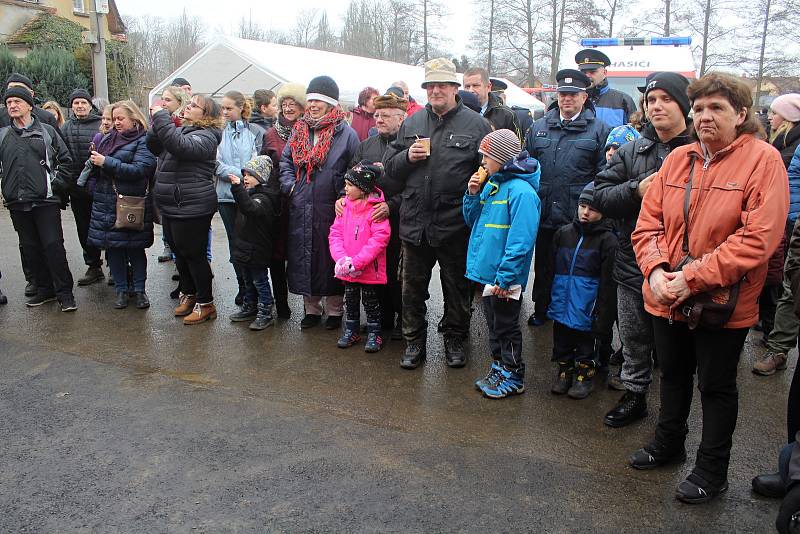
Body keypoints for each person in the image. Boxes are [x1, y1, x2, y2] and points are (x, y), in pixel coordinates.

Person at [629, 73, 788, 504]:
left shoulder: (763, 160)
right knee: (673, 374)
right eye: (698, 109)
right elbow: (648, 225)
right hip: (666, 294)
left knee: (716, 387)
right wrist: (657, 271)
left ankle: (712, 470)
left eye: (715, 108)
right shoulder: (678, 158)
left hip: (721, 303)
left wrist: (689, 278)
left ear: (741, 114)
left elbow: (759, 238)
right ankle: (668, 444)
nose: (704, 116)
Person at [594, 72, 694, 426]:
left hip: (684, 269)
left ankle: (674, 412)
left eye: (666, 99)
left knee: (676, 349)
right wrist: (636, 189)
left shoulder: (702, 151)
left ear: (684, 104)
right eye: (651, 101)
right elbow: (598, 195)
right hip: (632, 262)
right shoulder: (632, 149)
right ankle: (635, 395)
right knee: (634, 339)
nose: (657, 106)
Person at [383, 57, 493, 369]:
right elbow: (391, 170)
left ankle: (455, 340)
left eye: (442, 85)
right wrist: (407, 155)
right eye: (430, 86)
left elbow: (489, 171)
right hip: (415, 224)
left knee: (457, 290)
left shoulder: (476, 125)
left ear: (455, 88)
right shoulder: (412, 123)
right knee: (412, 290)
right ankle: (413, 343)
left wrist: (478, 192)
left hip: (455, 225)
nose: (435, 90)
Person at [524, 69, 610, 326]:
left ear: (584, 97)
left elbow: (604, 172)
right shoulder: (538, 128)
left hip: (577, 215)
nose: (566, 99)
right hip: (545, 211)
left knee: (576, 267)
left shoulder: (599, 130)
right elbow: (526, 167)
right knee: (545, 266)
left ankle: (573, 312)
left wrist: (592, 205)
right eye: (563, 94)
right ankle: (542, 308)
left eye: (573, 95)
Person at [464, 129, 541, 398]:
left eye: (487, 156)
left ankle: (514, 374)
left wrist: (506, 277)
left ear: (502, 157)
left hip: (504, 279)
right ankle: (498, 367)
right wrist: (473, 193)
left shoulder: (522, 193)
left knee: (507, 327)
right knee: (494, 326)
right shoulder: (493, 185)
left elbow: (521, 242)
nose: (483, 162)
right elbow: (472, 220)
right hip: (489, 275)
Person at [279, 76, 360, 330]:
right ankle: (311, 309)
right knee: (303, 256)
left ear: (330, 104)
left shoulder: (345, 133)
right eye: (311, 100)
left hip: (332, 206)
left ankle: (335, 310)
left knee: (330, 257)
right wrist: (291, 186)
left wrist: (344, 196)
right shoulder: (299, 130)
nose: (313, 105)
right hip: (301, 204)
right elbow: (285, 163)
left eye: (319, 101)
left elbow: (354, 168)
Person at [148, 94, 222, 325]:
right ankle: (189, 295)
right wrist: (158, 123)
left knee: (194, 255)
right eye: (188, 104)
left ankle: (206, 303)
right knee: (179, 254)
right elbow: (155, 145)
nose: (187, 107)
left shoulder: (208, 136)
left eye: (193, 106)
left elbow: (179, 147)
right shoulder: (183, 130)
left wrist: (161, 117)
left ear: (207, 115)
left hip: (193, 205)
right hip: (173, 204)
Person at [0, 86, 76, 311]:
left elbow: (66, 162)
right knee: (30, 248)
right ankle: (45, 290)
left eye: (17, 101)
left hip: (45, 202)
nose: (12, 106)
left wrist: (54, 186)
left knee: (53, 246)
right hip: (17, 202)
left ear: (29, 105)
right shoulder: (3, 135)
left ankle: (65, 294)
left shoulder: (47, 131)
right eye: (9, 102)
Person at [345, 90, 408, 339]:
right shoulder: (366, 146)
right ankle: (379, 320)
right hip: (368, 222)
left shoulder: (409, 145)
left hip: (399, 219)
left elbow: (415, 186)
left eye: (385, 115)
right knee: (374, 270)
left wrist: (391, 205)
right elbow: (351, 176)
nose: (378, 119)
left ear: (401, 118)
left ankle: (402, 320)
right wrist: (343, 198)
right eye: (377, 115)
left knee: (398, 274)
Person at [547, 182, 617, 399]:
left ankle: (584, 375)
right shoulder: (563, 233)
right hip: (562, 300)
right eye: (582, 206)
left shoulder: (608, 241)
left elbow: (608, 283)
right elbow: (549, 269)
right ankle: (564, 371)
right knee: (562, 340)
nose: (585, 212)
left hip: (588, 305)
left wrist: (604, 314)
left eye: (593, 209)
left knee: (588, 343)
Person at [86, 100, 156, 309]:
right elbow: (93, 168)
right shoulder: (106, 139)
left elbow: (141, 169)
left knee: (135, 249)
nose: (115, 122)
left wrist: (107, 162)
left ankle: (140, 290)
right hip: (106, 202)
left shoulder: (144, 140)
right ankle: (121, 291)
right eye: (114, 118)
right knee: (114, 249)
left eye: (120, 118)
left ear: (133, 118)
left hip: (133, 203)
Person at [752, 95, 800, 376]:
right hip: (786, 219)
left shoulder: (788, 145)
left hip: (791, 219)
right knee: (787, 283)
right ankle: (778, 345)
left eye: (775, 113)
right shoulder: (781, 142)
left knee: (784, 283)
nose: (770, 117)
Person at [329, 162, 391, 352]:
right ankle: (351, 330)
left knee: (371, 302)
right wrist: (341, 259)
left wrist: (357, 262)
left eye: (349, 185)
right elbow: (335, 235)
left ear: (363, 188)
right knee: (351, 299)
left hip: (368, 269)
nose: (345, 189)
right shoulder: (343, 208)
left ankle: (374, 333)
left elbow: (379, 239)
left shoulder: (376, 210)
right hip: (348, 269)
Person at [215, 90, 265, 306]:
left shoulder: (255, 131)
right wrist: (240, 174)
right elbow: (215, 163)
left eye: (229, 108)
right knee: (234, 244)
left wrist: (243, 176)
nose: (224, 112)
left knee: (249, 244)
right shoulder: (218, 132)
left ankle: (254, 287)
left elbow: (258, 163)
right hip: (226, 196)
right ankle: (242, 285)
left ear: (240, 108)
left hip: (249, 196)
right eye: (222, 108)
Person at [262, 82, 306, 320]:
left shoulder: (309, 132)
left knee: (302, 251)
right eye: (284, 104)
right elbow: (264, 165)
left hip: (303, 199)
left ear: (302, 107)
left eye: (293, 104)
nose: (288, 109)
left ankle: (311, 303)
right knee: (276, 255)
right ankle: (281, 303)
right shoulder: (270, 134)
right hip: (278, 201)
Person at [228, 155, 280, 330]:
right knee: (248, 280)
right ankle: (250, 306)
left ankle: (265, 311)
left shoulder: (263, 199)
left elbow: (250, 208)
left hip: (256, 250)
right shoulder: (251, 194)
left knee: (259, 280)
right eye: (244, 175)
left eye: (249, 175)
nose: (245, 178)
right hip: (244, 249)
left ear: (260, 177)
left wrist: (237, 189)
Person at [61, 88, 104, 287]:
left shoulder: (100, 124)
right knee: (84, 228)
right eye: (76, 103)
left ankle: (115, 265)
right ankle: (93, 266)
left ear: (90, 105)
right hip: (76, 188)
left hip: (100, 185)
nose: (79, 106)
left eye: (83, 102)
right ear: (71, 107)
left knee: (107, 224)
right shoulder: (65, 128)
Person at [154, 85, 192, 264]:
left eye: (168, 100)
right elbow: (153, 147)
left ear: (180, 102)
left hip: (186, 191)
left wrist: (161, 119)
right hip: (167, 186)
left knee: (189, 245)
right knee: (174, 239)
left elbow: (176, 145)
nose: (163, 103)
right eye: (162, 98)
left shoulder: (183, 124)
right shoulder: (163, 121)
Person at [575, 49, 637, 128]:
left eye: (592, 72)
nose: (587, 76)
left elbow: (635, 134)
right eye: (583, 72)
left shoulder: (623, 101)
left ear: (604, 73)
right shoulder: (571, 100)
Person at [463, 67, 522, 139]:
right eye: (467, 86)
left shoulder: (507, 115)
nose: (470, 90)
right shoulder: (457, 113)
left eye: (475, 85)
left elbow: (517, 147)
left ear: (488, 87)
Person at [769, 94, 800, 167]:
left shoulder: (794, 149)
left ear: (789, 116)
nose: (769, 117)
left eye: (774, 113)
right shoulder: (785, 141)